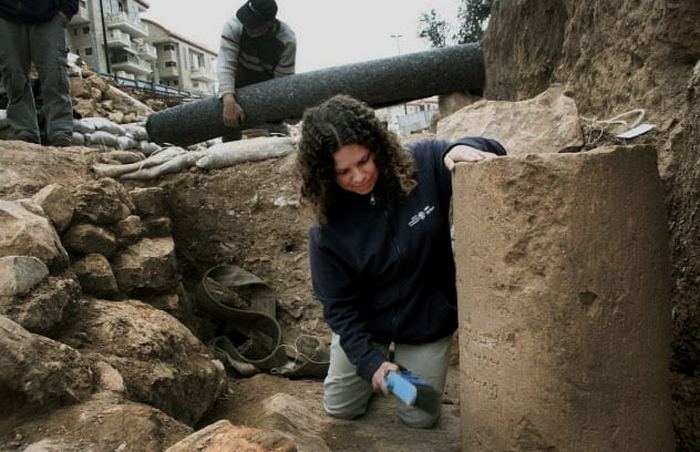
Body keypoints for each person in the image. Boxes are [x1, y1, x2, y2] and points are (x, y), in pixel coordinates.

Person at [296, 94, 507, 428]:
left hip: (425, 321)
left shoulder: (421, 164)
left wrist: (461, 148)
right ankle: (376, 369)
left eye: (364, 161)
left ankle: (403, 371)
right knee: (341, 408)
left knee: (420, 415)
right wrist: (371, 364)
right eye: (343, 171)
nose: (358, 176)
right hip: (367, 327)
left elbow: (491, 147)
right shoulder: (327, 230)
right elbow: (339, 309)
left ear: (376, 147)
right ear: (325, 175)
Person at [216, 0, 296, 142]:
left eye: (254, 25)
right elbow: (226, 64)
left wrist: (285, 110)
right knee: (229, 125)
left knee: (278, 136)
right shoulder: (234, 26)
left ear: (269, 22)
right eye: (247, 22)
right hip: (237, 84)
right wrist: (228, 99)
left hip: (267, 87)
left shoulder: (286, 40)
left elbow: (282, 83)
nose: (249, 27)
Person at [0, 0, 77, 146]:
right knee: (13, 77)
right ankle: (25, 132)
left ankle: (60, 131)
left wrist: (66, 10)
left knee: (55, 75)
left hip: (49, 15)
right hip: (6, 15)